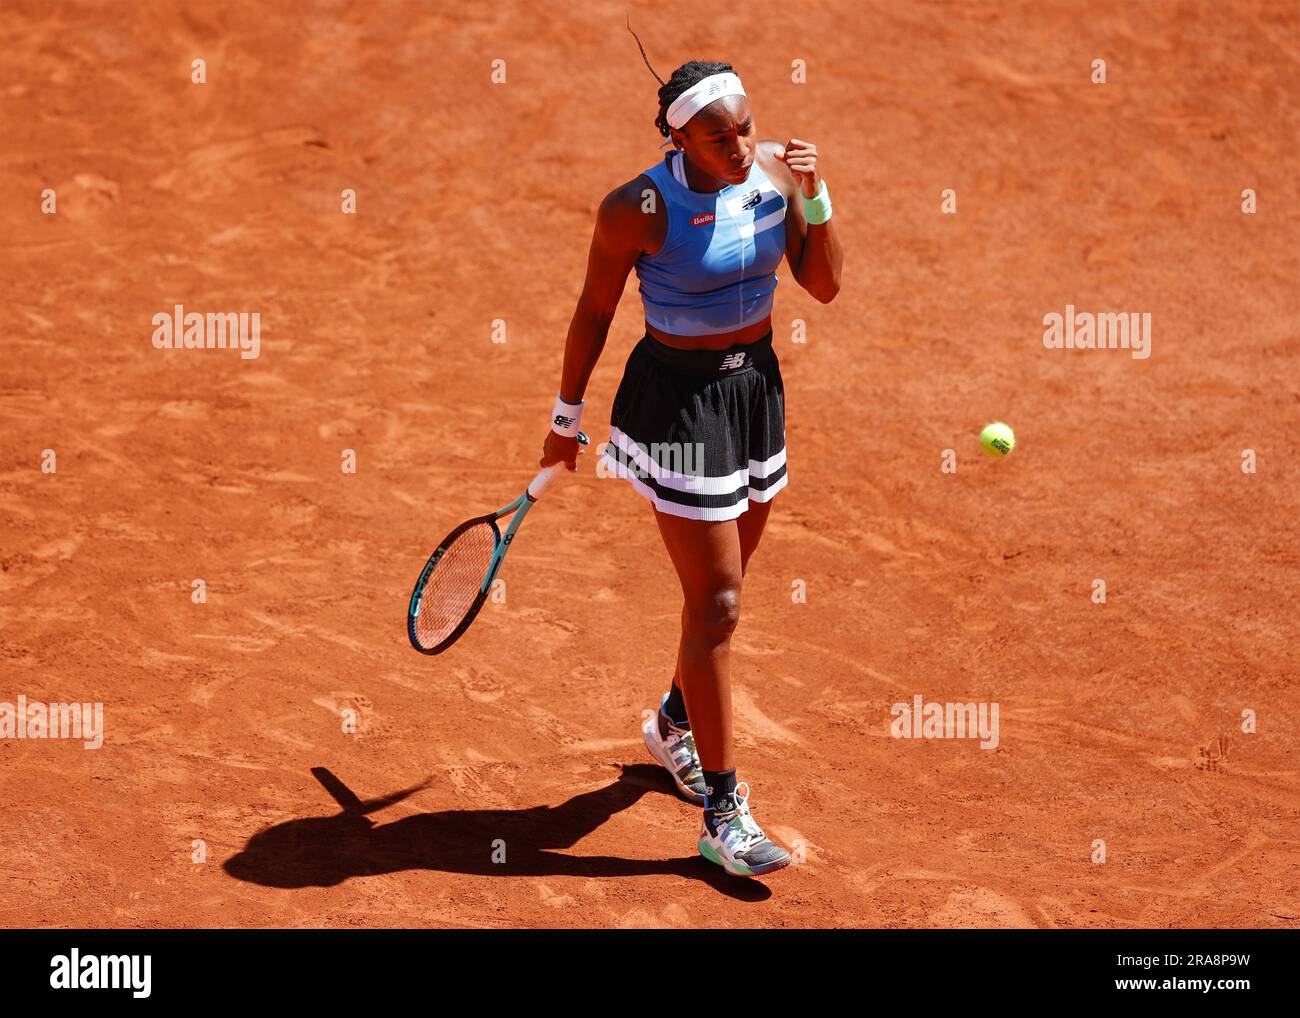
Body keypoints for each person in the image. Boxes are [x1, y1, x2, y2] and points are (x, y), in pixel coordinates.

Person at [538, 43, 843, 877]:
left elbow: (823, 285)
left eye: (747, 129)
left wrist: (815, 197)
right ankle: (724, 811)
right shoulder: (635, 208)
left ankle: (673, 722)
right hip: (677, 402)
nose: (741, 148)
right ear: (676, 141)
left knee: (725, 590)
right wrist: (565, 418)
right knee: (715, 606)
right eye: (719, 140)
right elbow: (594, 312)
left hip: (755, 394)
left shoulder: (779, 176)